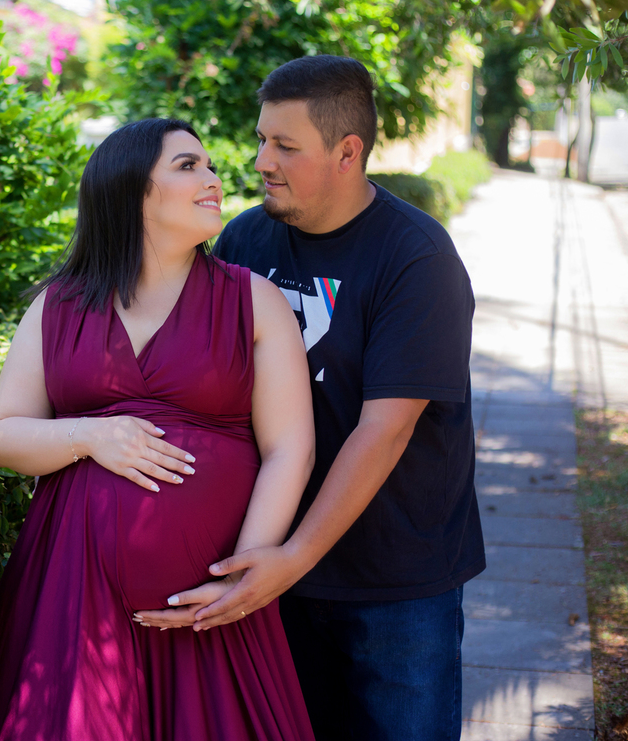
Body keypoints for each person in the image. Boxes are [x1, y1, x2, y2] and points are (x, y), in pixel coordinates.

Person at [136, 56, 484, 740]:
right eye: (262, 138)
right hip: (271, 571)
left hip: (394, 584)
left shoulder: (417, 259)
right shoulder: (244, 239)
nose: (262, 160)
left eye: (286, 146)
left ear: (347, 152)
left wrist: (293, 557)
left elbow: (382, 431)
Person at [0, 118, 318, 741]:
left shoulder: (254, 301)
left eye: (208, 165)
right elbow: (5, 434)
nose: (214, 180)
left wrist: (241, 573)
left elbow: (290, 448)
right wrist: (90, 436)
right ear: (131, 192)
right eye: (188, 166)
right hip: (74, 602)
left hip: (212, 610)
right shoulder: (59, 305)